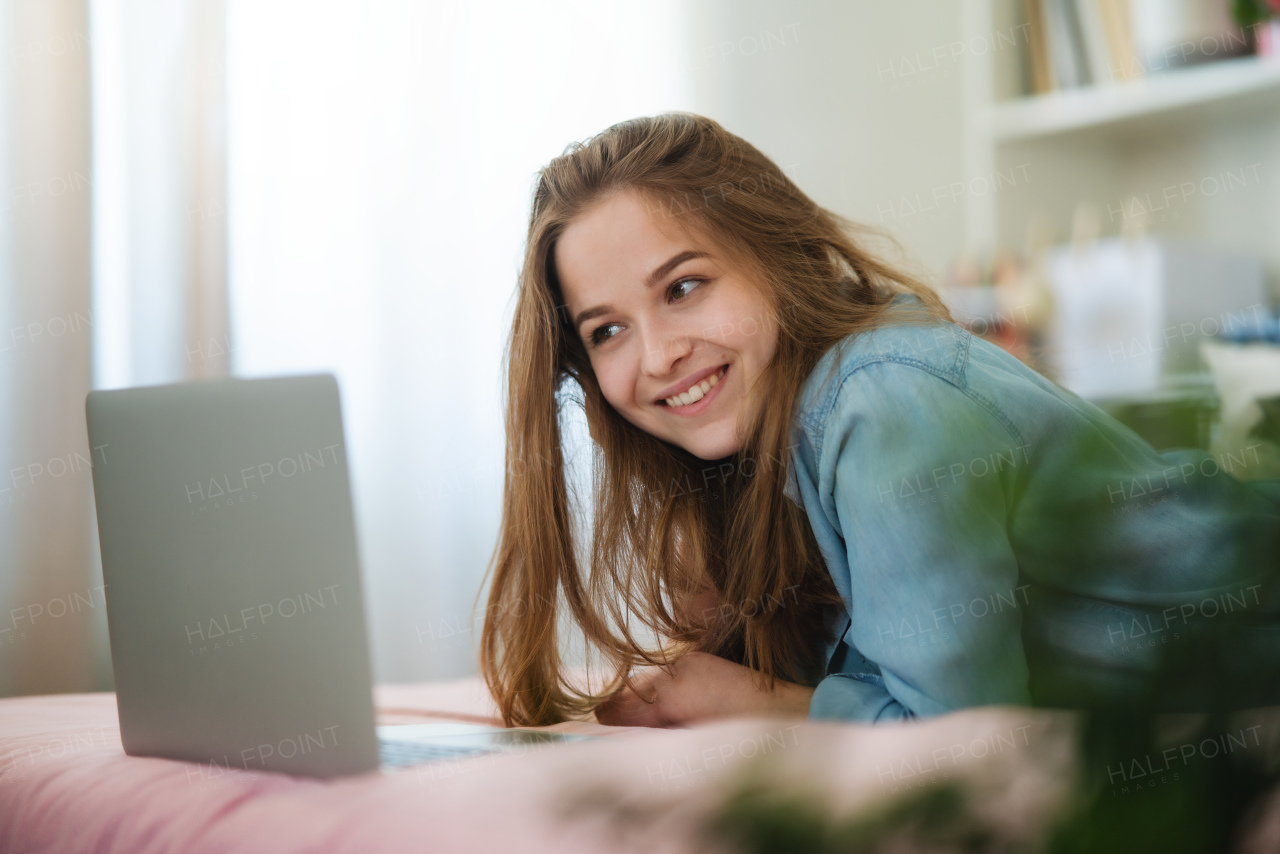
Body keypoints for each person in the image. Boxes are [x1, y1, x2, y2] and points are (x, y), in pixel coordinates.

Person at [478, 112, 1280, 728]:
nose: (656, 356)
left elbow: (954, 732)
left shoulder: (882, 398)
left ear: (779, 257)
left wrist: (758, 702)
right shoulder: (768, 449)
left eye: (684, 287)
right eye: (607, 330)